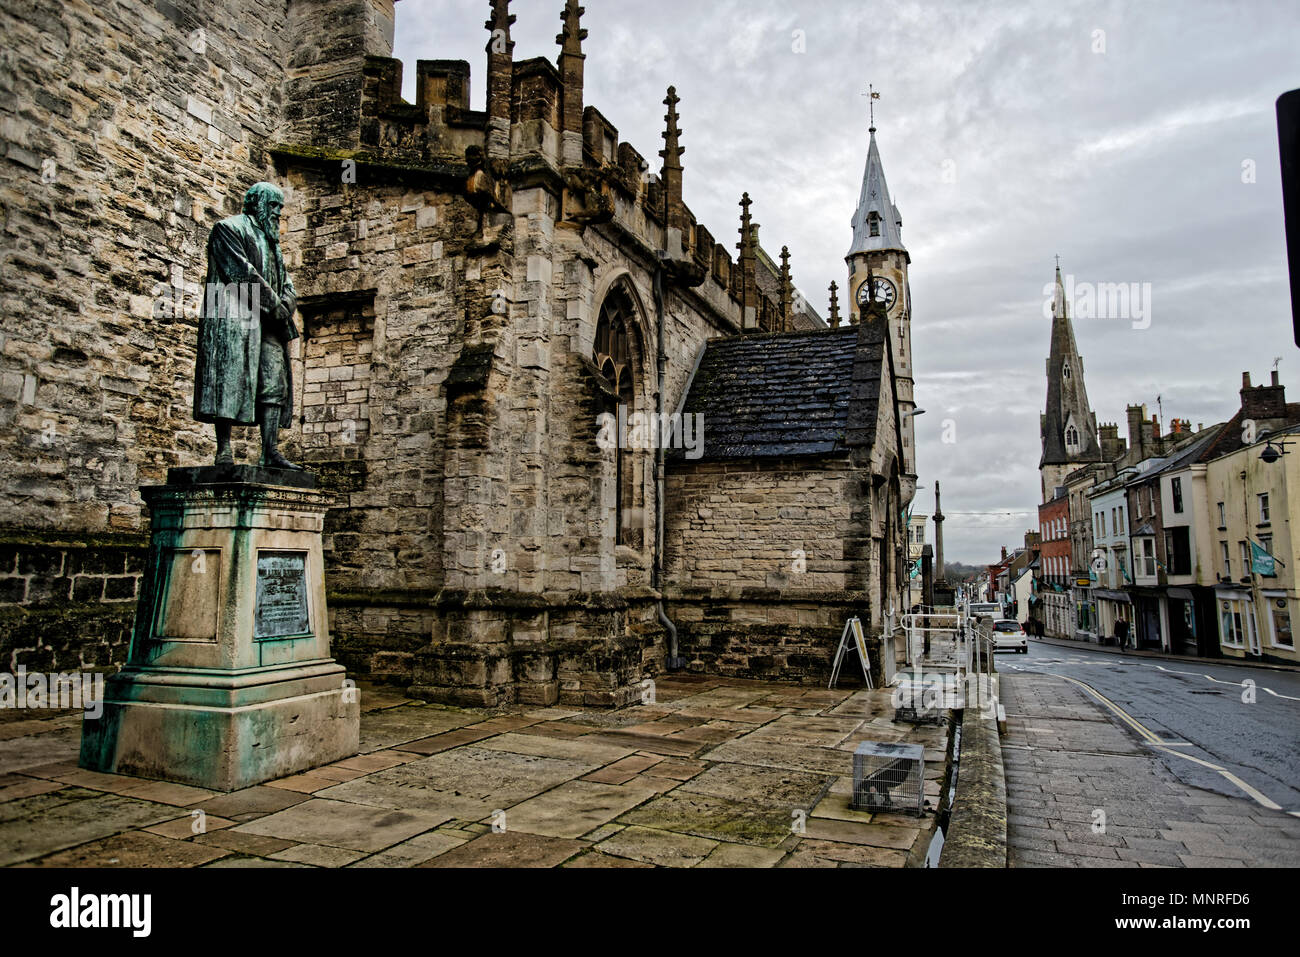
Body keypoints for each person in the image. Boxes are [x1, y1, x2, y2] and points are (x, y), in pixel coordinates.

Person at [193, 182, 304, 471]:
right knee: (227, 380)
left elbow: (288, 283)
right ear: (256, 203)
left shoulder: (272, 242)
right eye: (274, 205)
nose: (278, 212)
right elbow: (242, 273)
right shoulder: (228, 229)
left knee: (274, 382)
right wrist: (275, 305)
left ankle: (270, 451)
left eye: (281, 206)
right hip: (235, 318)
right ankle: (224, 450)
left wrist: (286, 304)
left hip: (269, 324)